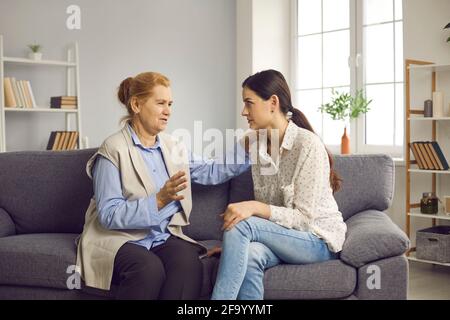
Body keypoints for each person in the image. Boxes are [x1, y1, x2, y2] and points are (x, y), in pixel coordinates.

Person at [75, 71, 249, 300]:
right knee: (148, 270)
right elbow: (109, 214)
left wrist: (246, 147)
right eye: (160, 103)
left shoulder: (172, 145)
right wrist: (159, 200)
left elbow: (210, 171)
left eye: (170, 103)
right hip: (119, 238)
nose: (168, 111)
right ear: (136, 104)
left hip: (160, 236)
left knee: (188, 264)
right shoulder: (113, 149)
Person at [211, 69, 347, 300]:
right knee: (251, 254)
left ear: (273, 102)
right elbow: (215, 168)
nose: (244, 111)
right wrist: (235, 250)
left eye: (249, 103)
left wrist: (254, 207)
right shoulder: (254, 143)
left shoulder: (307, 146)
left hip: (317, 240)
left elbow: (304, 220)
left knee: (242, 223)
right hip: (285, 238)